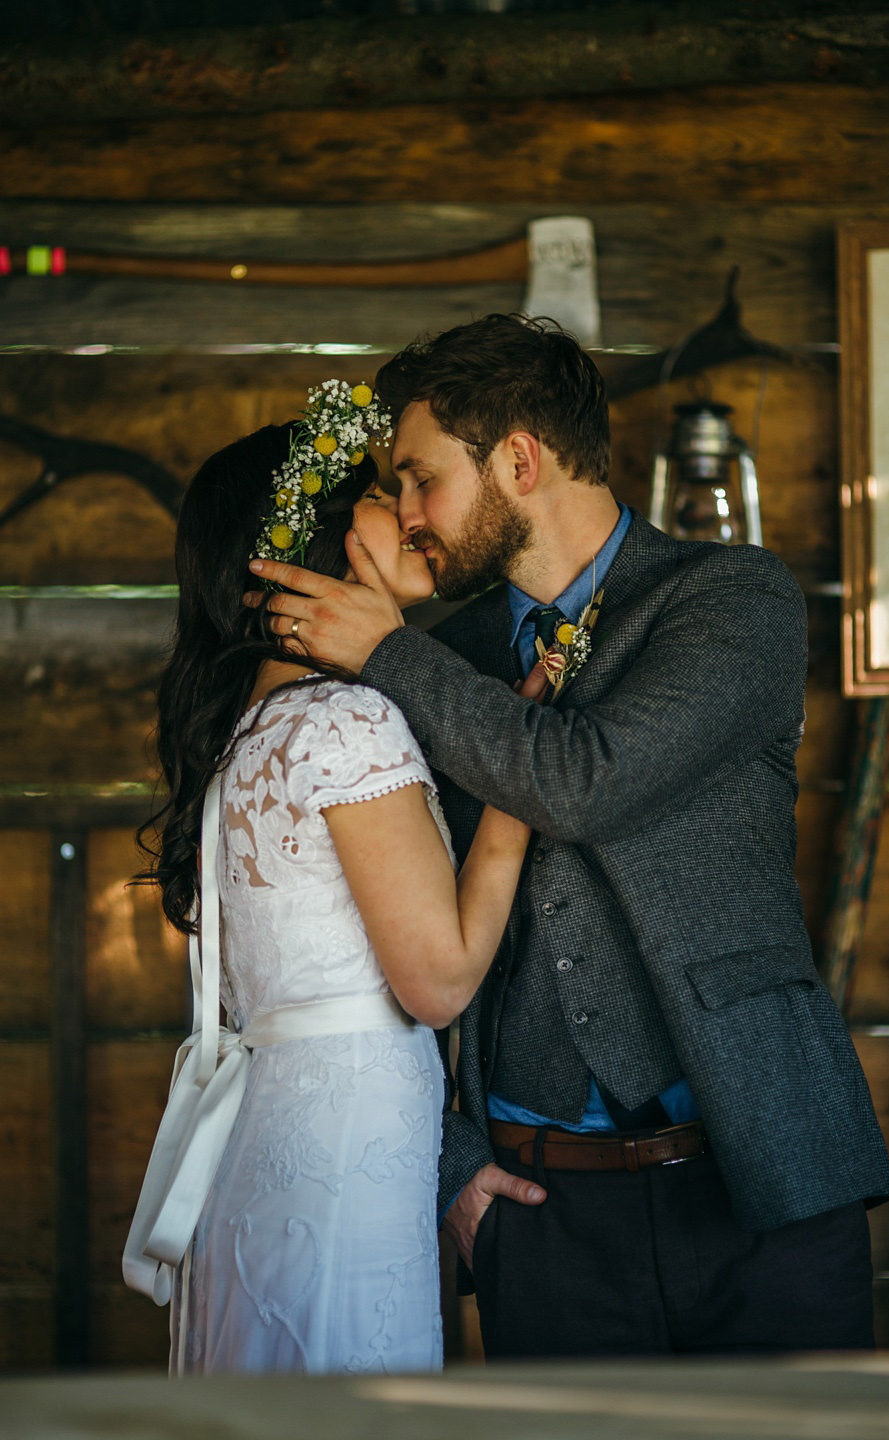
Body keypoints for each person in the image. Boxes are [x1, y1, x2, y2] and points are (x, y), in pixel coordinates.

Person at [248, 316, 889, 1359]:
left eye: (419, 479)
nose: (405, 517)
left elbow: (585, 781)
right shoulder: (432, 658)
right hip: (536, 1211)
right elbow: (369, 930)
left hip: (761, 1177)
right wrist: (457, 1172)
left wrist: (388, 653)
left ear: (518, 459)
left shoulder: (731, 599)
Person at [123, 380, 539, 1375]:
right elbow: (437, 979)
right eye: (374, 491)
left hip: (268, 1133)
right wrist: (526, 779)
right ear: (306, 540)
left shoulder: (247, 737)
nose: (405, 512)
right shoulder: (346, 722)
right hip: (347, 1143)